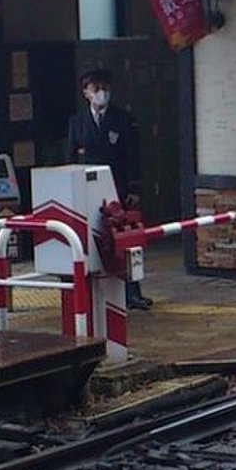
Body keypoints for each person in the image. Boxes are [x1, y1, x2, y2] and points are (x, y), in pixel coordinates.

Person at [66, 67, 151, 310]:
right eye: (96, 89)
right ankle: (97, 290)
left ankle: (133, 292)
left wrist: (135, 188)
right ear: (86, 93)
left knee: (127, 241)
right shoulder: (78, 122)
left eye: (105, 88)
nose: (102, 93)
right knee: (93, 241)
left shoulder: (123, 119)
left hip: (119, 189)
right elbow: (71, 157)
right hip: (87, 190)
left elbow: (133, 156)